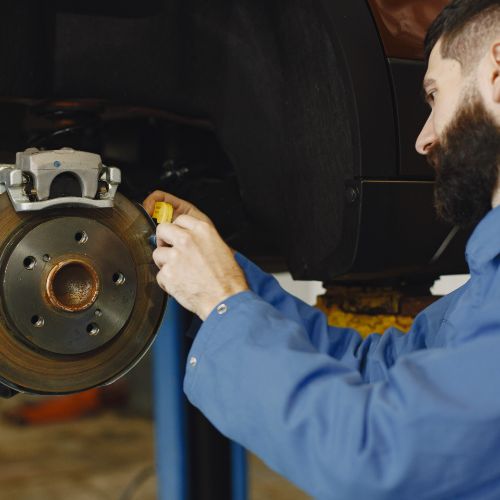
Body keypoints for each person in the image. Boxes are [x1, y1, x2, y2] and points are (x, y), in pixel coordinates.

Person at [143, 1, 500, 497]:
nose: (424, 139)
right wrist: (227, 279)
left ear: (496, 73)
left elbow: (378, 458)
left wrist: (223, 305)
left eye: (434, 95)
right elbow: (375, 366)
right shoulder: (488, 290)